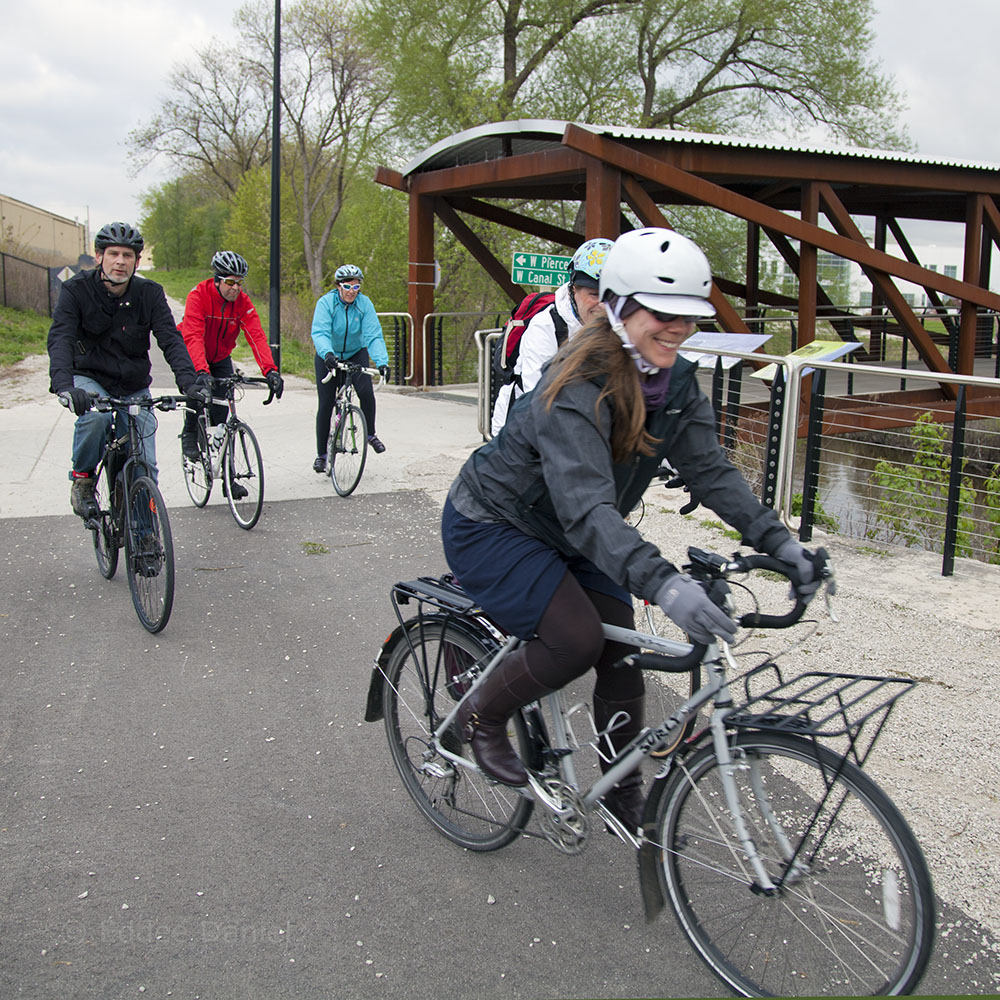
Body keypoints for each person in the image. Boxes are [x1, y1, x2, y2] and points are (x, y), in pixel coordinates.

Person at [441, 227, 823, 831]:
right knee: (575, 639)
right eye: (661, 311)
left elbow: (711, 470)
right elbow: (591, 511)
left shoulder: (674, 380)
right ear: (617, 306)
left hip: (574, 528)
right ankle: (482, 717)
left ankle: (622, 787)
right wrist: (665, 586)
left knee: (621, 649)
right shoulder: (575, 383)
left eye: (689, 315)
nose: (677, 327)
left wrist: (779, 542)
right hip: (495, 520)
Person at [47, 222, 211, 518]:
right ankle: (83, 480)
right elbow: (60, 338)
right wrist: (64, 386)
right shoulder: (76, 291)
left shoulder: (150, 293)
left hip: (133, 385)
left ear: (137, 261)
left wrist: (189, 382)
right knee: (96, 419)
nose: (120, 261)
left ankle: (147, 538)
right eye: (113, 254)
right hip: (90, 378)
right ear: (99, 257)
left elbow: (171, 340)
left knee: (144, 464)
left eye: (128, 255)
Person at [490, 237, 614, 435]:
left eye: (610, 295)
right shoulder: (546, 326)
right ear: (574, 289)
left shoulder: (621, 323)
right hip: (521, 430)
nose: (602, 304)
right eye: (594, 294)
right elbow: (539, 399)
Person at [179, 251, 284, 477]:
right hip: (192, 353)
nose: (235, 288)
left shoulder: (243, 303)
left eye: (239, 283)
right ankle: (189, 431)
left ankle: (228, 475)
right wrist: (200, 371)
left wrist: (271, 370)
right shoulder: (199, 296)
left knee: (222, 418)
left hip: (220, 357)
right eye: (229, 282)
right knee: (197, 391)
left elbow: (256, 336)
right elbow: (194, 335)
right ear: (217, 280)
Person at [310, 264, 390, 471]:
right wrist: (327, 353)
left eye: (356, 287)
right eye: (347, 286)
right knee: (326, 403)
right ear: (338, 286)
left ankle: (371, 434)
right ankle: (321, 454)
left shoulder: (364, 304)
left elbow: (373, 335)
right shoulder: (326, 303)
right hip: (329, 355)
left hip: (355, 352)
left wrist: (382, 362)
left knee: (366, 391)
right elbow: (320, 332)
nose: (351, 292)